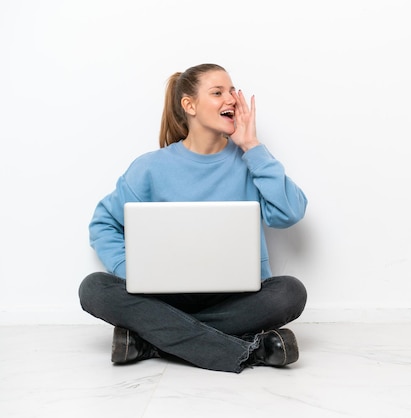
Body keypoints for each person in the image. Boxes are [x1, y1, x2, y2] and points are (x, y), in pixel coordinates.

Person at [78, 63, 308, 373]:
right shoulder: (150, 167)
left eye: (231, 91)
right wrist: (132, 271)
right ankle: (249, 352)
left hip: (237, 298)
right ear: (190, 105)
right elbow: (103, 224)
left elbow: (289, 213)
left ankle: (149, 340)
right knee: (93, 288)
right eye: (217, 92)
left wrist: (252, 146)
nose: (231, 99)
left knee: (290, 293)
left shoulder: (251, 162)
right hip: (166, 297)